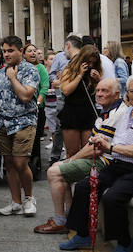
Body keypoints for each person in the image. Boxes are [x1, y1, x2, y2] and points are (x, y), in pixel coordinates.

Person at [60, 75, 133, 252]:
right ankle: (82, 234)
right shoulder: (128, 113)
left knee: (113, 197)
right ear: (127, 94)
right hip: (122, 164)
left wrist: (109, 147)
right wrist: (102, 142)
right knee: (84, 186)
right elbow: (119, 142)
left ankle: (125, 243)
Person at [34, 78, 126, 234]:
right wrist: (70, 160)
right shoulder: (106, 111)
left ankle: (60, 221)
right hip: (99, 157)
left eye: (104, 91)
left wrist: (71, 160)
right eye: (97, 90)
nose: (99, 94)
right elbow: (91, 146)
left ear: (117, 94)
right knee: (58, 167)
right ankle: (70, 216)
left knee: (54, 172)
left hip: (107, 162)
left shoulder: (117, 113)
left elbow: (95, 149)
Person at [0, 36, 40, 217]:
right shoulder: (0, 72)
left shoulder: (30, 70)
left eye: (10, 50)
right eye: (4, 51)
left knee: (21, 162)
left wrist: (13, 78)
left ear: (21, 51)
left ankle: (29, 198)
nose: (7, 54)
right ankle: (15, 202)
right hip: (3, 123)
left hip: (24, 122)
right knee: (10, 163)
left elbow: (26, 96)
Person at [58, 45, 102, 160]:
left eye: (94, 63)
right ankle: (71, 176)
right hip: (72, 114)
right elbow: (66, 90)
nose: (91, 65)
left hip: (88, 114)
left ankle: (86, 178)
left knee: (88, 151)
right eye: (89, 62)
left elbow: (103, 93)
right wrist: (80, 75)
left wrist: (99, 80)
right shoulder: (69, 69)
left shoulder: (95, 72)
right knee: (72, 152)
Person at [48, 35, 82, 165]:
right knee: (59, 127)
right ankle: (55, 156)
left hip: (76, 99)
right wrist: (58, 81)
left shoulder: (81, 59)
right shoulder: (60, 57)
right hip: (62, 97)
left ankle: (75, 159)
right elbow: (52, 76)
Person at [24, 43, 49, 180]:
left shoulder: (40, 68)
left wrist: (38, 102)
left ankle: (35, 162)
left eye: (34, 51)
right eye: (30, 51)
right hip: (24, 108)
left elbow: (45, 86)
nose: (33, 53)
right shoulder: (21, 68)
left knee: (35, 137)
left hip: (37, 108)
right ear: (24, 54)